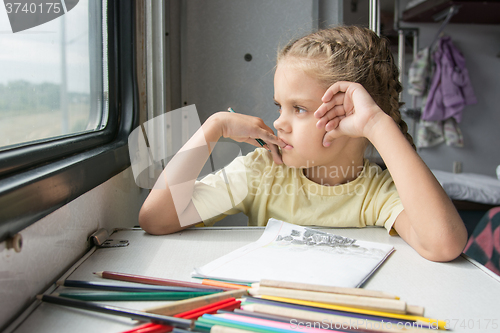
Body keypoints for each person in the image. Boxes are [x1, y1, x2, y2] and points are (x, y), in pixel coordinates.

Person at [139, 26, 467, 262]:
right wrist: (212, 128)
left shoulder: (376, 194)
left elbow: (444, 245)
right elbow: (156, 218)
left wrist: (375, 124)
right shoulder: (262, 173)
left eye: (298, 109)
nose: (280, 122)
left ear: (347, 115)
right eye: (279, 106)